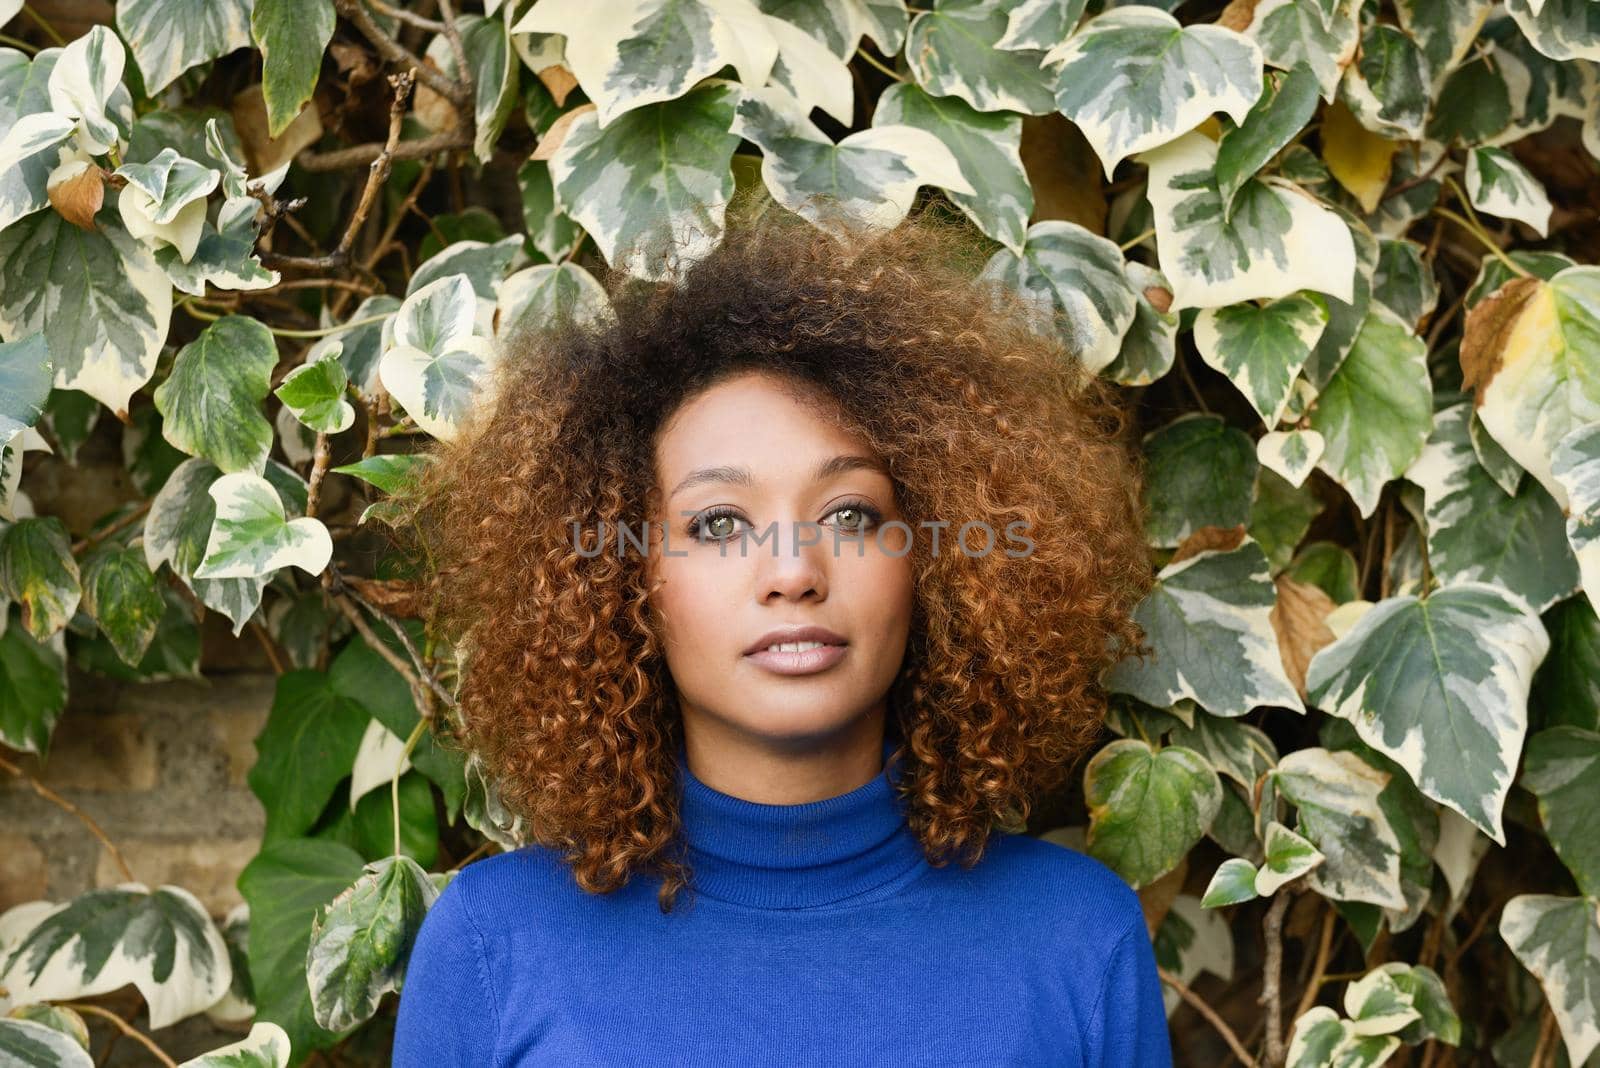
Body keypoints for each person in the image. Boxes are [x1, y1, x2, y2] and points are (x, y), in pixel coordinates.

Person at [389, 197, 1171, 1066]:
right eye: (719, 523)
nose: (794, 571)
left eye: (850, 513)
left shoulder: (1077, 939)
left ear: (938, 562)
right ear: (622, 581)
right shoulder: (495, 946)